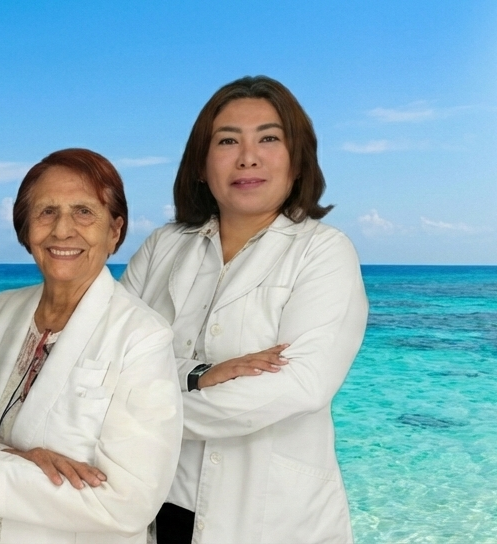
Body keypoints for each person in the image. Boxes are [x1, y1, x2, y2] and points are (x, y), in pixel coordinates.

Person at [121, 76, 368, 544]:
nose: (248, 157)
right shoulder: (162, 246)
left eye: (269, 139)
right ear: (200, 164)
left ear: (298, 161)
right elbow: (113, 359)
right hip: (156, 504)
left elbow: (300, 385)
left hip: (270, 519)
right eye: (227, 140)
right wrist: (200, 374)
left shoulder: (324, 252)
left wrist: (139, 411)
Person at [0, 149, 181, 543]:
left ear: (114, 231)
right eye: (46, 212)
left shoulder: (142, 336)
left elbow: (129, 502)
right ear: (26, 228)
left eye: (84, 212)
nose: (62, 230)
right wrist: (11, 464)